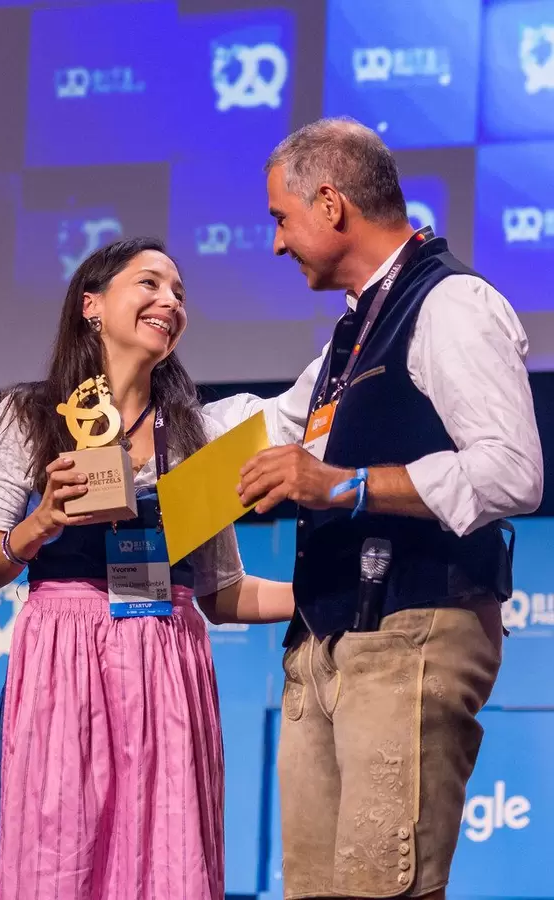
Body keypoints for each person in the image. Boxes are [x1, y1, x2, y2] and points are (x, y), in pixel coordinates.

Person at [204, 118, 543, 900]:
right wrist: (142, 425)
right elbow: (274, 426)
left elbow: (512, 472)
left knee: (381, 889)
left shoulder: (451, 304)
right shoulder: (355, 333)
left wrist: (347, 485)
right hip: (326, 646)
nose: (275, 244)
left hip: (409, 634)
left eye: (280, 219)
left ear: (330, 205)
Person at [0, 237, 294, 900]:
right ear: (91, 304)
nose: (170, 301)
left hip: (165, 664)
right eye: (150, 283)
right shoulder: (29, 415)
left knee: (165, 864)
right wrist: (43, 521)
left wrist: (327, 593)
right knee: (61, 859)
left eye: (179, 294)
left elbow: (223, 593)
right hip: (63, 660)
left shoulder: (195, 435)